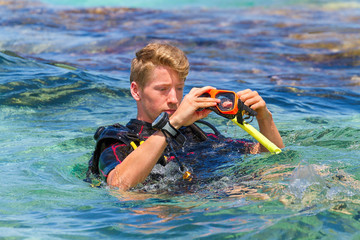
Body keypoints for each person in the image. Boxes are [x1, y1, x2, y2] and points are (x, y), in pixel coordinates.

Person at [87, 42, 284, 191]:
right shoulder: (116, 139)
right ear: (136, 91)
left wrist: (264, 118)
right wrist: (172, 125)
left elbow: (268, 155)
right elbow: (118, 185)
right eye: (162, 89)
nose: (173, 99)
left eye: (179, 89)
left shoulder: (193, 132)